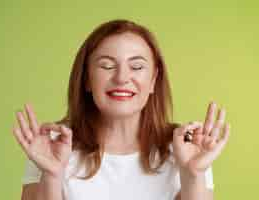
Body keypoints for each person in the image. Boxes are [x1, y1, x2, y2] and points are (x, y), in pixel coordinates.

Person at [12, 19, 231, 200]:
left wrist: (193, 173)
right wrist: (51, 175)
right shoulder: (51, 146)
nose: (122, 78)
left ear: (154, 80)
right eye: (107, 66)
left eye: (137, 67)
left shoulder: (186, 149)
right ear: (87, 79)